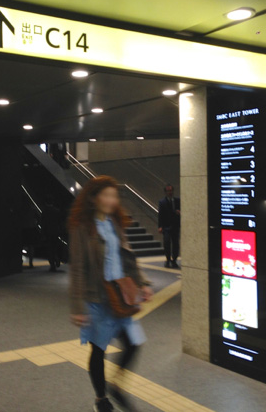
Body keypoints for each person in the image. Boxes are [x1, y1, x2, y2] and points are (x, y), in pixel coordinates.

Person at [68, 176, 154, 412]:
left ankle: (115, 386)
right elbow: (77, 269)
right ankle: (101, 398)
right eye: (106, 195)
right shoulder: (82, 228)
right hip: (96, 298)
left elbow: (127, 258)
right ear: (93, 198)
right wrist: (77, 307)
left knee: (133, 343)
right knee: (98, 349)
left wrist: (142, 283)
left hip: (118, 295)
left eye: (114, 195)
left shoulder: (115, 223)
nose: (111, 200)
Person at [158, 184, 181, 268]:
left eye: (171, 190)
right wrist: (160, 226)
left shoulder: (177, 201)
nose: (170, 192)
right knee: (167, 243)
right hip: (166, 226)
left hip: (175, 226)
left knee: (176, 244)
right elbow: (160, 215)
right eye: (168, 191)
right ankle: (168, 260)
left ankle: (174, 260)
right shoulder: (162, 202)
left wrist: (180, 212)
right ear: (165, 192)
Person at [41, 195, 63, 272]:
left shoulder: (45, 211)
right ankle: (56, 258)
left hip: (48, 232)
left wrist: (42, 233)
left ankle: (52, 264)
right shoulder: (57, 211)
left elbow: (43, 223)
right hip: (56, 232)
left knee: (49, 249)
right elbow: (60, 222)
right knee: (54, 247)